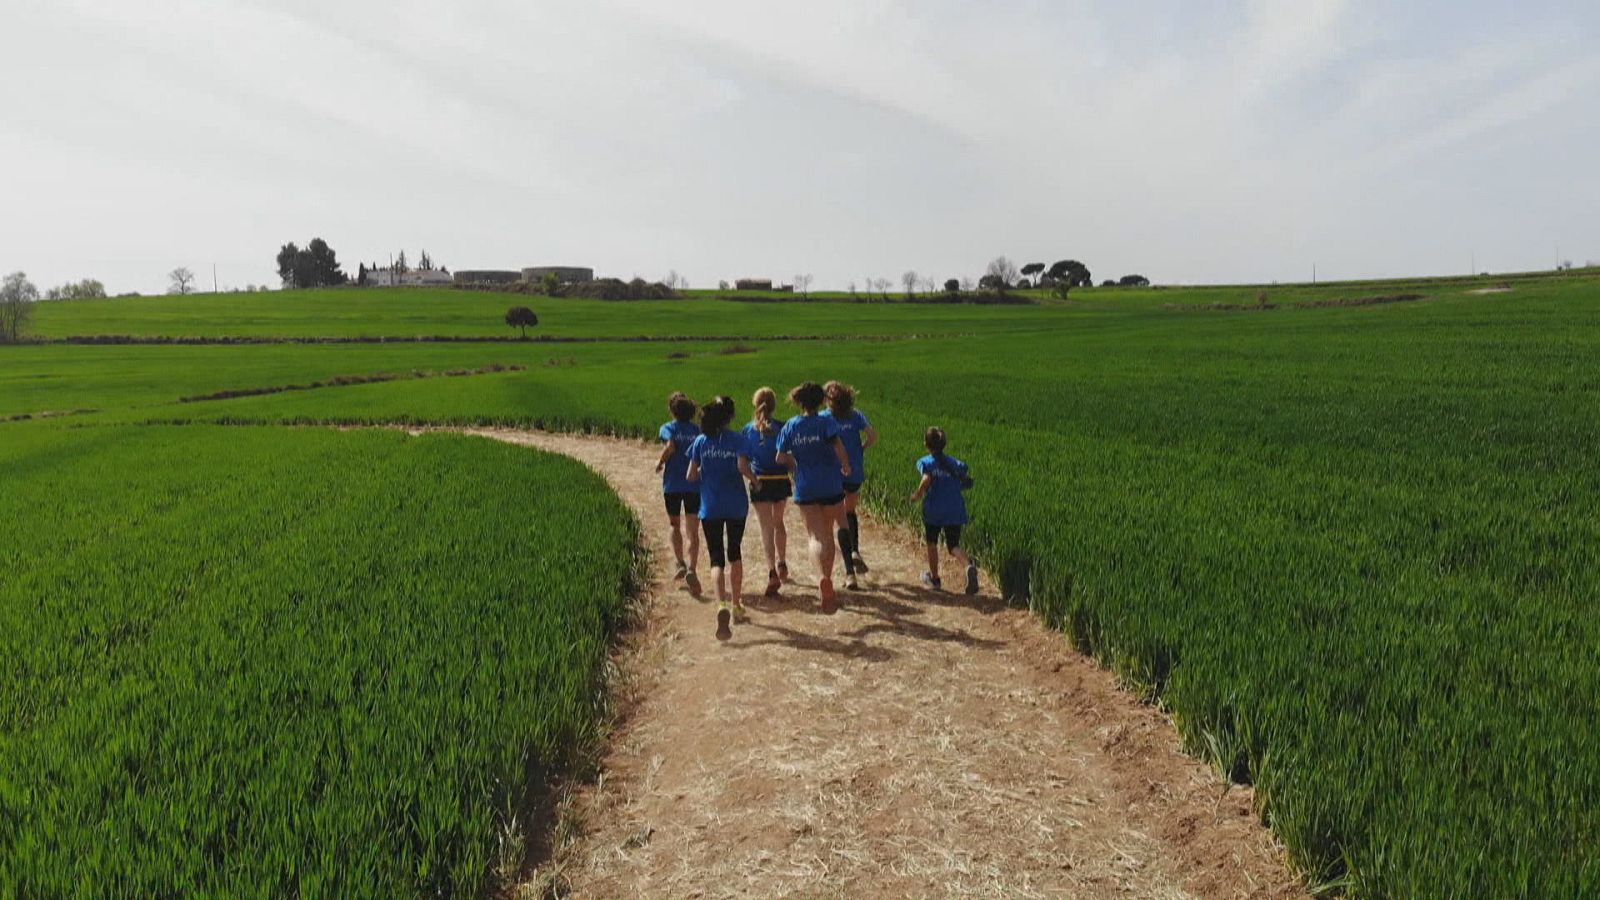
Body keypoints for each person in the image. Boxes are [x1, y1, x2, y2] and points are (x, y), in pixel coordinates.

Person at [775, 381, 853, 613]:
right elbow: (838, 446)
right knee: (829, 534)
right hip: (830, 485)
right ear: (820, 401)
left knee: (815, 537)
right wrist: (846, 465)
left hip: (806, 486)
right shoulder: (826, 422)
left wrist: (795, 464)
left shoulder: (791, 426)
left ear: (799, 402)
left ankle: (821, 578)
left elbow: (779, 457)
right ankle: (827, 578)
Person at [686, 395, 759, 641]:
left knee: (716, 558)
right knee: (735, 552)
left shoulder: (699, 442)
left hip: (710, 507)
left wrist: (705, 470)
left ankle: (721, 606)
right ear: (730, 417)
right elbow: (742, 467)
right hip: (736, 505)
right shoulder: (739, 439)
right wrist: (755, 480)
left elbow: (691, 477)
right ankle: (737, 603)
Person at [909, 426, 979, 595]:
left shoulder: (926, 462)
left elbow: (927, 478)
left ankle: (935, 578)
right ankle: (968, 566)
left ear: (926, 444)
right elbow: (965, 476)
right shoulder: (956, 464)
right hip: (955, 509)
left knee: (932, 543)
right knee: (953, 545)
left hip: (934, 510)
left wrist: (918, 494)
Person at [822, 381, 877, 587]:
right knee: (850, 511)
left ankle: (849, 573)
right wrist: (861, 448)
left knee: (838, 518)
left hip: (834, 472)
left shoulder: (825, 417)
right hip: (855, 469)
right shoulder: (856, 415)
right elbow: (872, 436)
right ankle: (855, 550)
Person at [743, 387, 791, 597]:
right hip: (780, 480)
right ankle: (782, 563)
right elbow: (789, 456)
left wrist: (752, 479)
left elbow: (743, 460)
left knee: (766, 528)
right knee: (779, 522)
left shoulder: (748, 430)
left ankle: (771, 570)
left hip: (760, 481)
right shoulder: (783, 427)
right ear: (774, 405)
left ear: (755, 404)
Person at [654, 391, 702, 597]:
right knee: (693, 530)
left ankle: (680, 562)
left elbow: (670, 446)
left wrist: (660, 462)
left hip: (673, 483)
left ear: (673, 411)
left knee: (674, 525)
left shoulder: (668, 428)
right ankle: (692, 568)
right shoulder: (697, 430)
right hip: (693, 485)